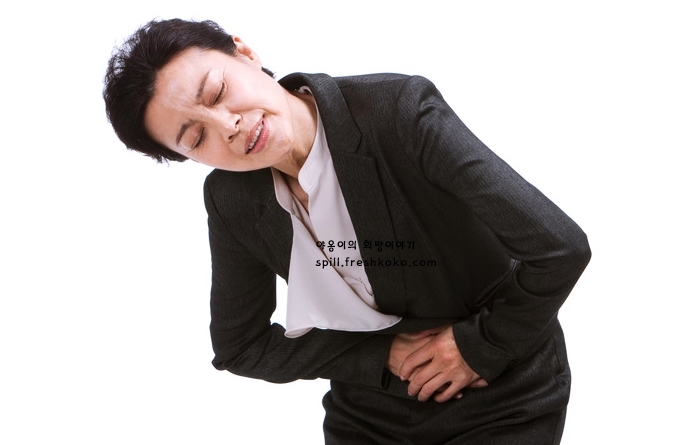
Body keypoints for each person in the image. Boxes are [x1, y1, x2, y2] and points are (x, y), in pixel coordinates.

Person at [103, 18, 591, 444]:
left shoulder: (398, 111)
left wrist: (479, 346)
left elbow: (559, 249)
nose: (227, 125)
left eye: (216, 93)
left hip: (499, 392)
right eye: (196, 137)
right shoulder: (230, 198)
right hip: (368, 415)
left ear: (245, 54)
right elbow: (240, 346)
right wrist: (377, 355)